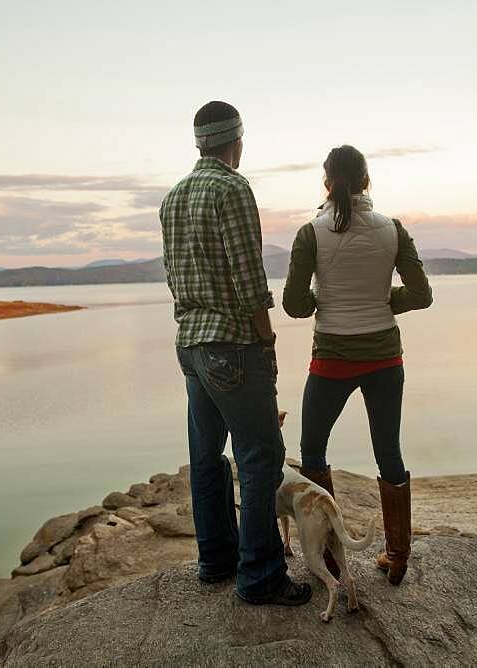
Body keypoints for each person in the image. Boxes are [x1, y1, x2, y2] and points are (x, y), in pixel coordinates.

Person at [160, 101, 311, 606]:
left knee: (205, 458)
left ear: (199, 141)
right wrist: (266, 338)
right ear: (237, 141)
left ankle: (215, 561)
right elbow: (249, 277)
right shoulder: (233, 188)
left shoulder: (173, 197)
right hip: (232, 344)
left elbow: (172, 275)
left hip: (191, 344)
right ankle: (261, 575)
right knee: (260, 456)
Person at [282, 145, 433, 585]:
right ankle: (397, 555)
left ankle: (329, 556)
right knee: (389, 452)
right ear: (368, 181)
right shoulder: (394, 230)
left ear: (326, 183)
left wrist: (323, 300)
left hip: (332, 358)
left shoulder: (311, 233)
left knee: (313, 451)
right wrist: (385, 301)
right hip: (385, 357)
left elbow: (294, 305)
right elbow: (421, 295)